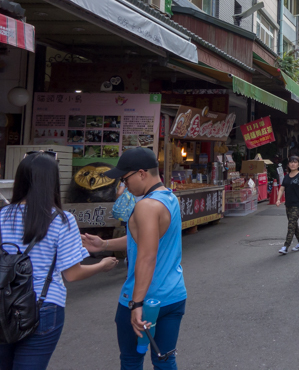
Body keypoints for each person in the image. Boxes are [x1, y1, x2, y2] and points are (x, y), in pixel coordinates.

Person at [0, 152, 118, 368]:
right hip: (43, 306)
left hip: (3, 305)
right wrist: (101, 266)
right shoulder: (61, 220)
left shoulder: (2, 215)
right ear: (52, 182)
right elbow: (72, 274)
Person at [82, 147, 186, 370]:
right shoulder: (169, 198)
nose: (122, 185)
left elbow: (147, 257)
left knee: (131, 360)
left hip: (143, 299)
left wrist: (136, 303)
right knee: (165, 359)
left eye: (124, 178)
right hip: (173, 295)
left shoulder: (145, 206)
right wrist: (105, 244)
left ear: (141, 173)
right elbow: (143, 241)